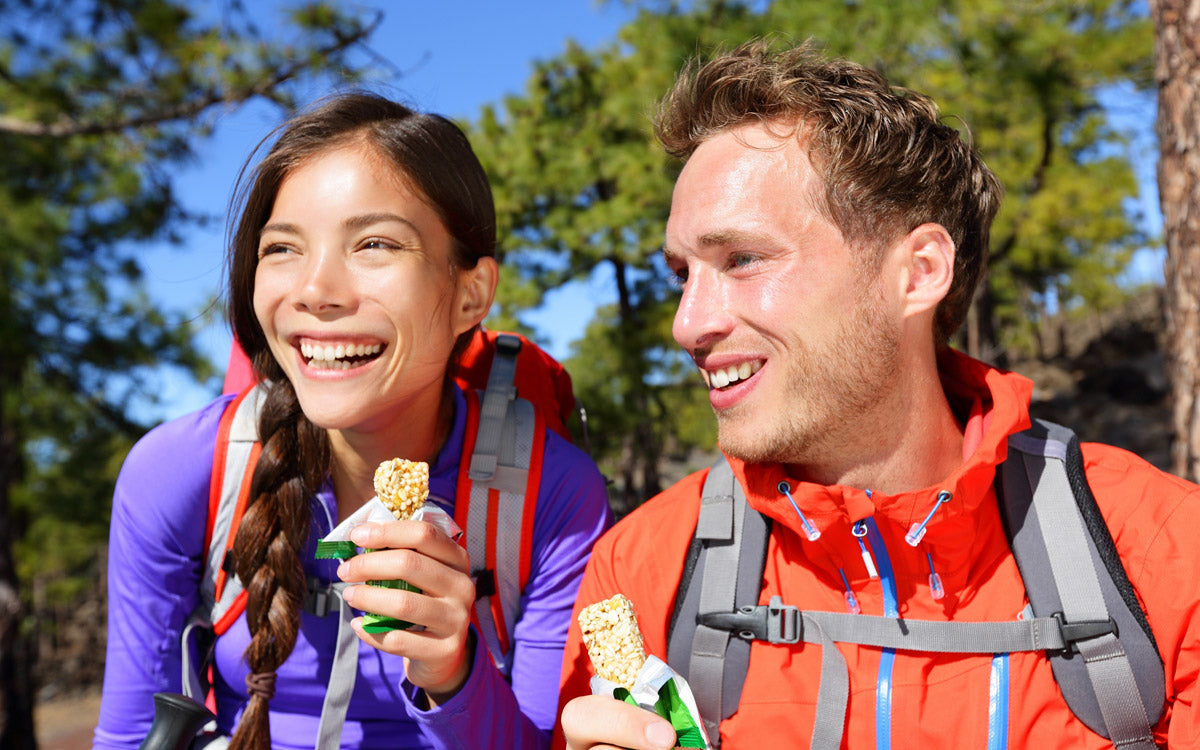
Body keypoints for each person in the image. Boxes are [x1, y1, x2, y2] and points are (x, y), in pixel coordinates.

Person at [555, 41, 1200, 749]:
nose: (687, 323)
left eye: (742, 259)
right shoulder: (640, 571)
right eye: (684, 272)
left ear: (919, 272)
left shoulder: (1166, 557)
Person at [94, 92, 611, 750]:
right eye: (281, 249)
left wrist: (453, 675)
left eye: (373, 243)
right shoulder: (182, 473)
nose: (315, 290)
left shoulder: (552, 495)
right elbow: (132, 735)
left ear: (471, 294)